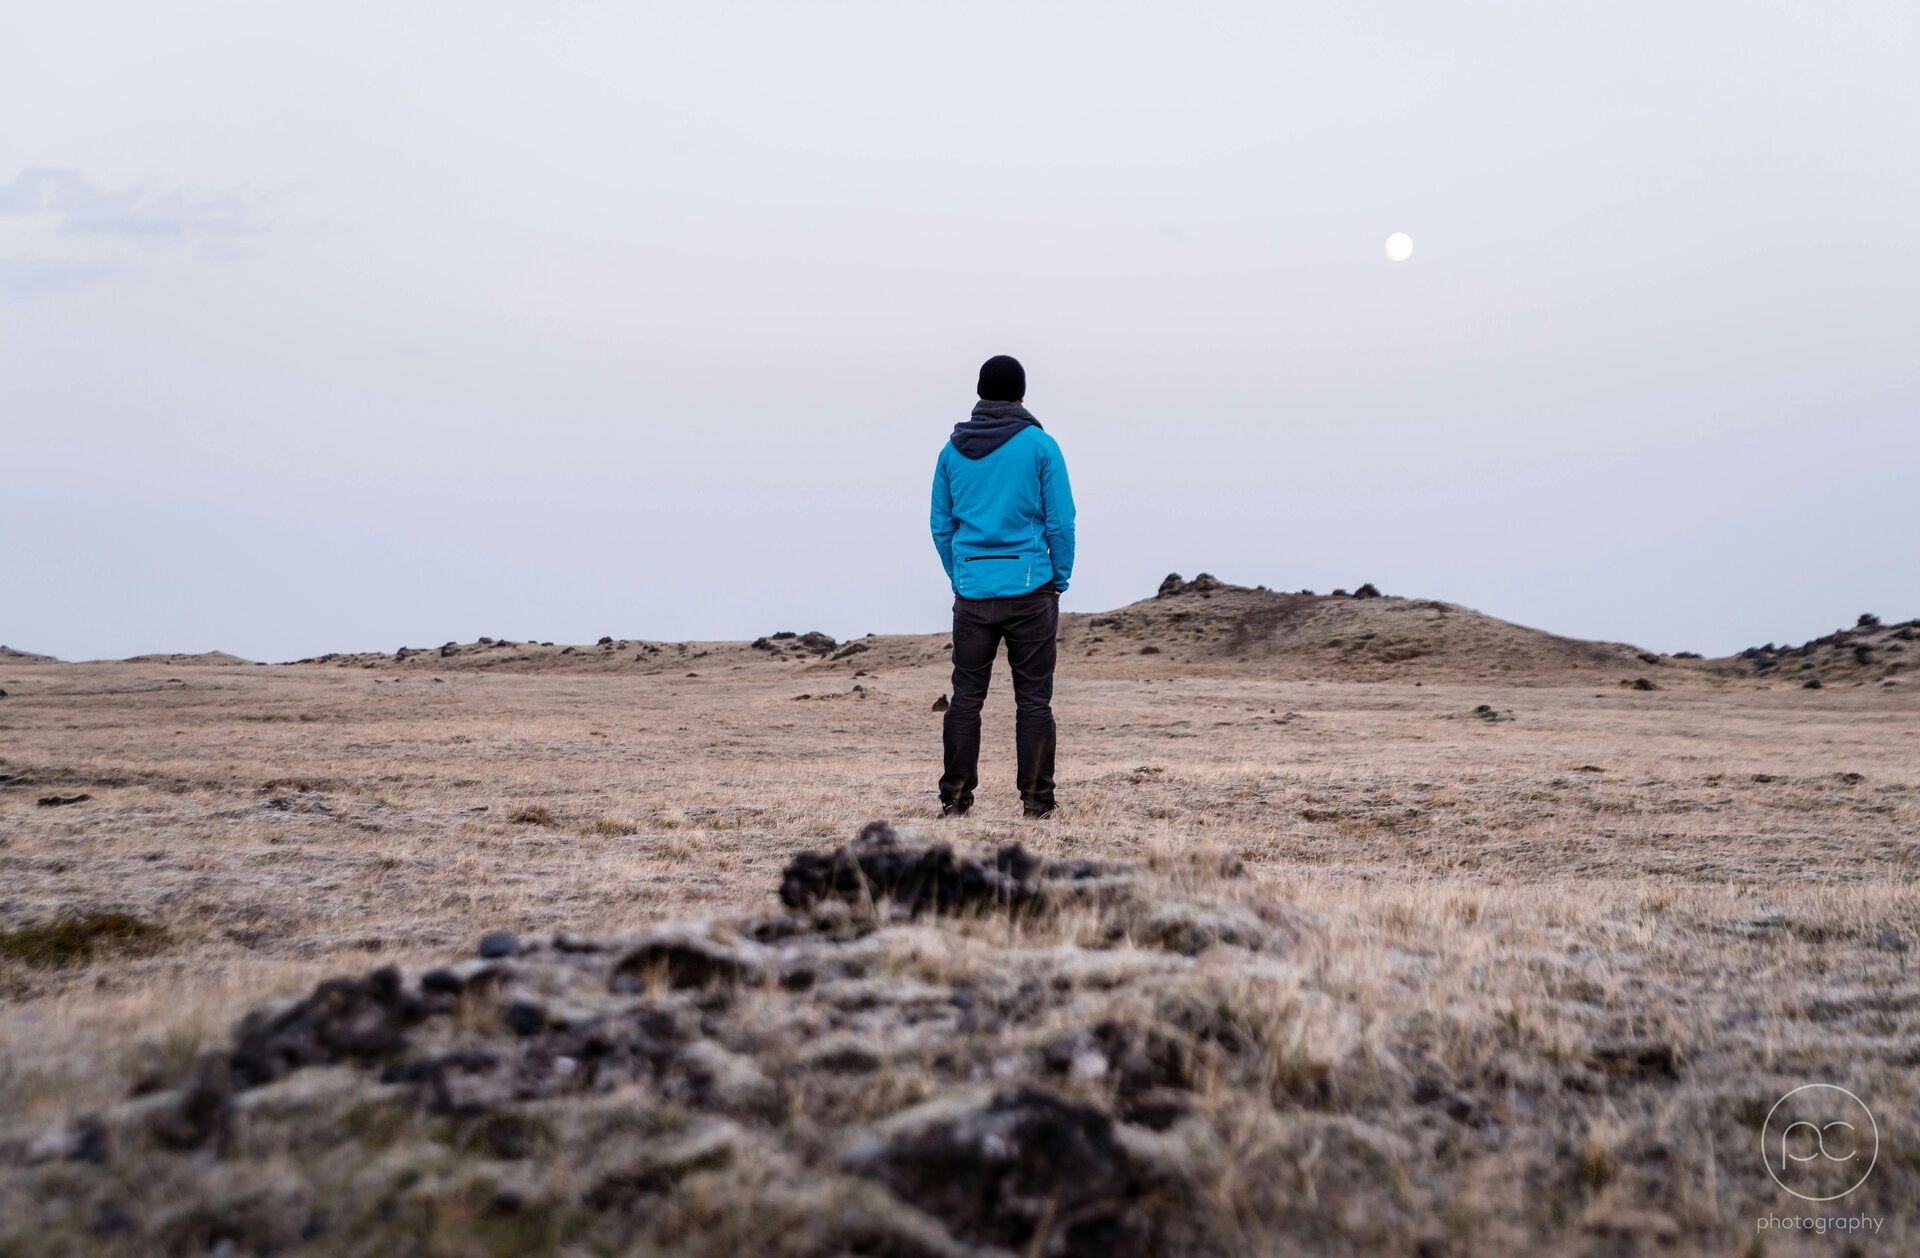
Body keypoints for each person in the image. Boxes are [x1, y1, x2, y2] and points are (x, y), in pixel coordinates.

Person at [929, 354, 1076, 818]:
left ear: (980, 393)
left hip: (973, 593)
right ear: (1021, 395)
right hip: (1031, 590)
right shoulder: (1040, 446)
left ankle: (955, 801)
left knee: (965, 700)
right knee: (1033, 701)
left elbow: (941, 524)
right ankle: (1037, 803)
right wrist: (1060, 577)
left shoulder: (951, 451)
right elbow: (1061, 521)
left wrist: (961, 575)